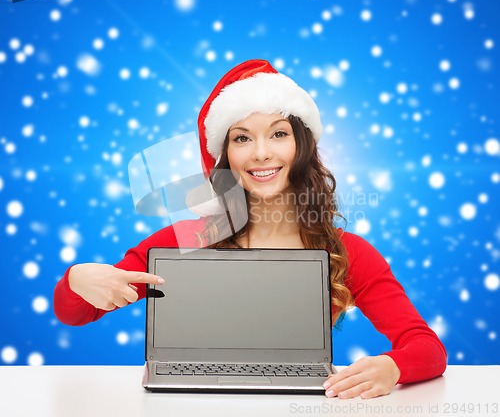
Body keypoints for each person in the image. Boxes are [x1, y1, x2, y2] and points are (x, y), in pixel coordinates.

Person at [54, 59, 447, 399]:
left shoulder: (348, 253)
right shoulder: (185, 241)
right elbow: (75, 313)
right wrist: (75, 280)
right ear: (225, 156)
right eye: (242, 138)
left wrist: (393, 367)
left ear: (302, 148)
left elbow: (426, 347)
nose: (261, 152)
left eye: (278, 133)